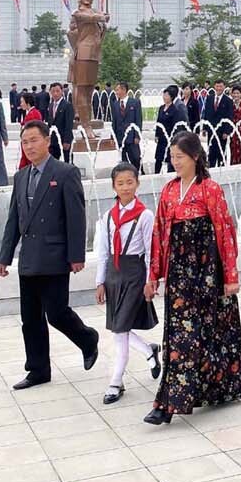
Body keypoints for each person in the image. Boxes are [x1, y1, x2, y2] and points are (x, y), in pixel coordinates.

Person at [145, 132, 241, 424]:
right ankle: (167, 404)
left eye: (180, 156)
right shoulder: (168, 191)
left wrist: (230, 276)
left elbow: (225, 232)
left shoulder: (210, 189)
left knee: (214, 333)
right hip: (180, 275)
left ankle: (223, 388)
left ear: (195, 156)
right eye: (173, 156)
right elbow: (159, 235)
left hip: (208, 274)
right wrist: (154, 274)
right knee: (180, 336)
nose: (174, 161)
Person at [0, 121, 99, 390]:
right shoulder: (20, 177)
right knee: (30, 319)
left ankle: (87, 339)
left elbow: (76, 217)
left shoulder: (65, 172)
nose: (29, 146)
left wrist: (77, 255)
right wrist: (4, 257)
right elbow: (14, 220)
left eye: (34, 140)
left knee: (56, 313)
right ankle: (38, 369)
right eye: (25, 141)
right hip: (29, 258)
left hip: (55, 256)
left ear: (47, 141)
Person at [92, 163, 161, 405]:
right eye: (120, 183)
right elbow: (102, 252)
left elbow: (152, 250)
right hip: (113, 275)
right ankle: (149, 351)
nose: (125, 187)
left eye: (129, 182)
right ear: (113, 186)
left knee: (120, 330)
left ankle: (115, 382)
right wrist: (100, 281)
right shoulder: (107, 217)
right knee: (118, 327)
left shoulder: (145, 215)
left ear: (137, 184)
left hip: (134, 275)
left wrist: (151, 280)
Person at [109, 81, 143, 172]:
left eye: (117, 90)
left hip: (132, 136)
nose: (116, 92)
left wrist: (137, 136)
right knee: (123, 160)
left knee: (135, 157)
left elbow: (138, 120)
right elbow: (114, 121)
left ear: (124, 90)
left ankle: (139, 172)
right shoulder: (115, 104)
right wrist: (112, 137)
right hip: (120, 136)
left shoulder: (135, 103)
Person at [45, 82, 75, 163]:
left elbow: (69, 124)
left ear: (62, 91)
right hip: (53, 140)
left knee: (67, 162)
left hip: (64, 139)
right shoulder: (51, 105)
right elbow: (50, 123)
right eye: (53, 91)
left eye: (57, 91)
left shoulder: (67, 105)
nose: (55, 93)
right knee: (52, 162)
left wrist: (67, 141)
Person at [16, 93, 44, 170]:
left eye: (22, 102)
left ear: (27, 103)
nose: (21, 104)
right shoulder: (32, 113)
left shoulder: (33, 114)